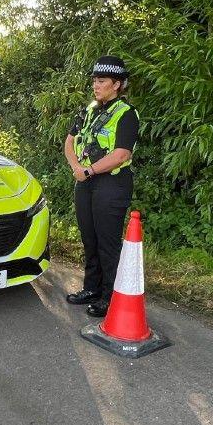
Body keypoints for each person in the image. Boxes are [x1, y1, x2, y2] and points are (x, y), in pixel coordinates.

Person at [63, 55, 140, 318]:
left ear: (117, 84)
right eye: (95, 80)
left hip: (111, 184)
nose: (96, 85)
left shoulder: (126, 114)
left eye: (102, 81)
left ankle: (110, 296)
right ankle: (91, 288)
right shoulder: (89, 110)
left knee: (107, 242)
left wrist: (89, 170)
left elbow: (121, 154)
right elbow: (70, 140)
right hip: (85, 182)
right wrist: (76, 168)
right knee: (89, 238)